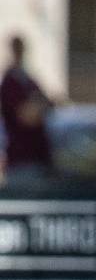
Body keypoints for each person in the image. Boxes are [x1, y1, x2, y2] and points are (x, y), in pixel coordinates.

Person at [1, 36, 54, 179]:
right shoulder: (10, 81)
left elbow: (48, 101)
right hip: (21, 160)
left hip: (38, 158)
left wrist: (40, 105)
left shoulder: (27, 79)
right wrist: (39, 106)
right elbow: (27, 116)